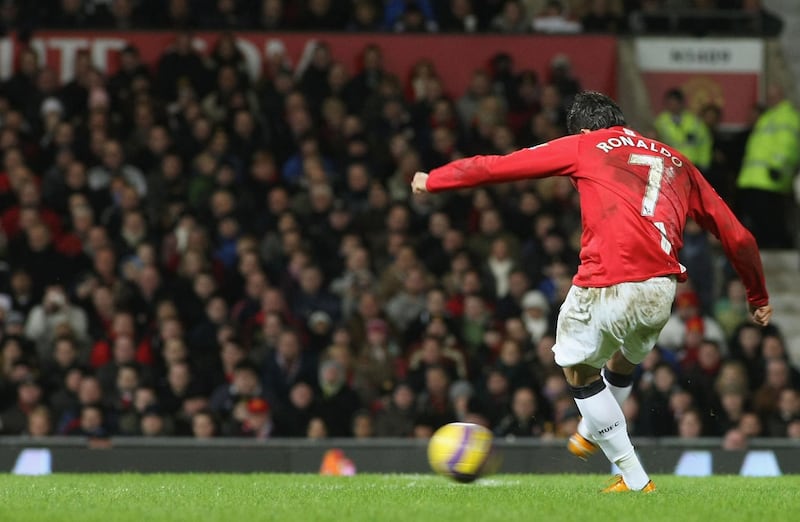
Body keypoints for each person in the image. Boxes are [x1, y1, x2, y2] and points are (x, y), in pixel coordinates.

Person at [411, 91, 772, 492]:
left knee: (578, 371)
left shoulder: (587, 144)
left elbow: (500, 166)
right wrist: (757, 294)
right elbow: (739, 238)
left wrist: (435, 179)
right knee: (621, 360)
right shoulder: (675, 159)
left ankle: (633, 478)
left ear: (584, 128)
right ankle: (589, 429)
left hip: (609, 279)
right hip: (662, 288)